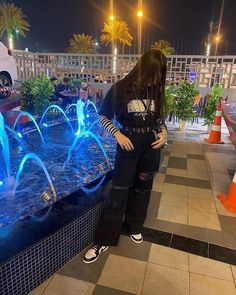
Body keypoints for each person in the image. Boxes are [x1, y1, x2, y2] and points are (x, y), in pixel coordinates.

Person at [83, 49, 168, 264]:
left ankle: (134, 225)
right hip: (128, 145)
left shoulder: (156, 90)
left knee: (143, 188)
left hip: (151, 147)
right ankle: (104, 239)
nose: (157, 79)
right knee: (119, 190)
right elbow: (103, 117)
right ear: (144, 69)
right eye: (155, 73)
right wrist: (117, 133)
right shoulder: (120, 89)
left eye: (161, 74)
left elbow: (159, 121)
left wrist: (164, 134)